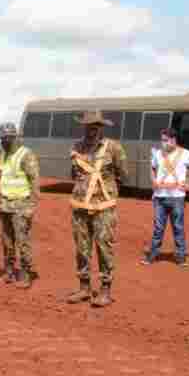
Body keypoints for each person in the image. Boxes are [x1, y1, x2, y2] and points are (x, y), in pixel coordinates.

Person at [66, 111, 129, 307]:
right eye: (88, 125)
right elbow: (73, 174)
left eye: (95, 125)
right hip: (80, 207)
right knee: (81, 249)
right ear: (83, 126)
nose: (92, 128)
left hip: (104, 208)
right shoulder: (76, 147)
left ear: (101, 127)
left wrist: (106, 189)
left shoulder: (114, 148)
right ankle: (84, 288)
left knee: (104, 247)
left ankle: (105, 290)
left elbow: (123, 174)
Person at [142, 128, 189, 268]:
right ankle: (153, 254)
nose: (163, 143)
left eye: (165, 140)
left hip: (177, 197)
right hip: (159, 197)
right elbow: (152, 167)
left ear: (173, 140)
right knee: (158, 228)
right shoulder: (158, 154)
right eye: (162, 140)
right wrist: (153, 181)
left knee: (178, 227)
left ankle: (181, 256)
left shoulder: (185, 154)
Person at [0, 123, 40, 288]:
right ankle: (10, 271)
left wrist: (31, 207)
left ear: (14, 138)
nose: (2, 141)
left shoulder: (26, 154)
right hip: (4, 205)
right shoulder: (4, 155)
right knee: (6, 242)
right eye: (1, 138)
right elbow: (0, 179)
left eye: (6, 138)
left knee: (22, 241)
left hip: (21, 206)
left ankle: (26, 274)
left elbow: (34, 182)